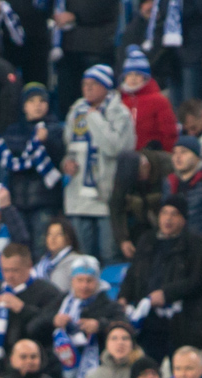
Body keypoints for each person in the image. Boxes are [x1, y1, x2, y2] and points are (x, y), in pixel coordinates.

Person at [116, 197, 202, 362]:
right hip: (149, 321)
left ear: (184, 219)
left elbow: (198, 281)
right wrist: (123, 296)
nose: (168, 219)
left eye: (174, 214)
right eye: (164, 213)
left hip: (182, 322)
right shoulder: (147, 240)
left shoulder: (196, 244)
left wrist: (166, 294)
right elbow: (133, 273)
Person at [62, 64, 136, 263]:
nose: (87, 88)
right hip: (78, 197)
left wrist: (94, 117)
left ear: (106, 86)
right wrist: (66, 163)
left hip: (106, 197)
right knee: (81, 258)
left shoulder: (120, 113)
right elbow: (69, 147)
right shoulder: (76, 110)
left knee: (109, 255)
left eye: (94, 83)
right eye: (85, 84)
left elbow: (115, 148)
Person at [0, 244, 62, 371]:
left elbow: (48, 328)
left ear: (29, 266)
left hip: (35, 365)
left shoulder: (47, 292)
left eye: (15, 270)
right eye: (5, 270)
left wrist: (22, 309)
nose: (9, 276)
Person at [0, 86, 67, 255]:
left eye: (42, 101)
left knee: (42, 249)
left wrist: (47, 141)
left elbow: (61, 160)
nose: (37, 105)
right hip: (17, 203)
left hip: (45, 202)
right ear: (24, 106)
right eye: (32, 101)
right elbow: (6, 162)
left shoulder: (56, 130)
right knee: (20, 249)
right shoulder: (12, 132)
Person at [52, 0, 121, 116]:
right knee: (68, 102)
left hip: (95, 48)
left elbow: (105, 8)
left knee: (96, 99)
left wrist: (76, 15)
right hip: (67, 49)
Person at [110, 147, 173, 258]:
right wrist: (123, 239)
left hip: (167, 220)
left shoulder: (168, 165)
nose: (137, 181)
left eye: (138, 176)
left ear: (146, 166)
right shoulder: (124, 173)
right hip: (140, 222)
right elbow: (116, 206)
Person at [118, 45, 177, 150]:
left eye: (138, 74)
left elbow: (169, 133)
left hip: (152, 155)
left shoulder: (159, 101)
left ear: (145, 77)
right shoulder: (120, 101)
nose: (133, 78)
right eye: (129, 74)